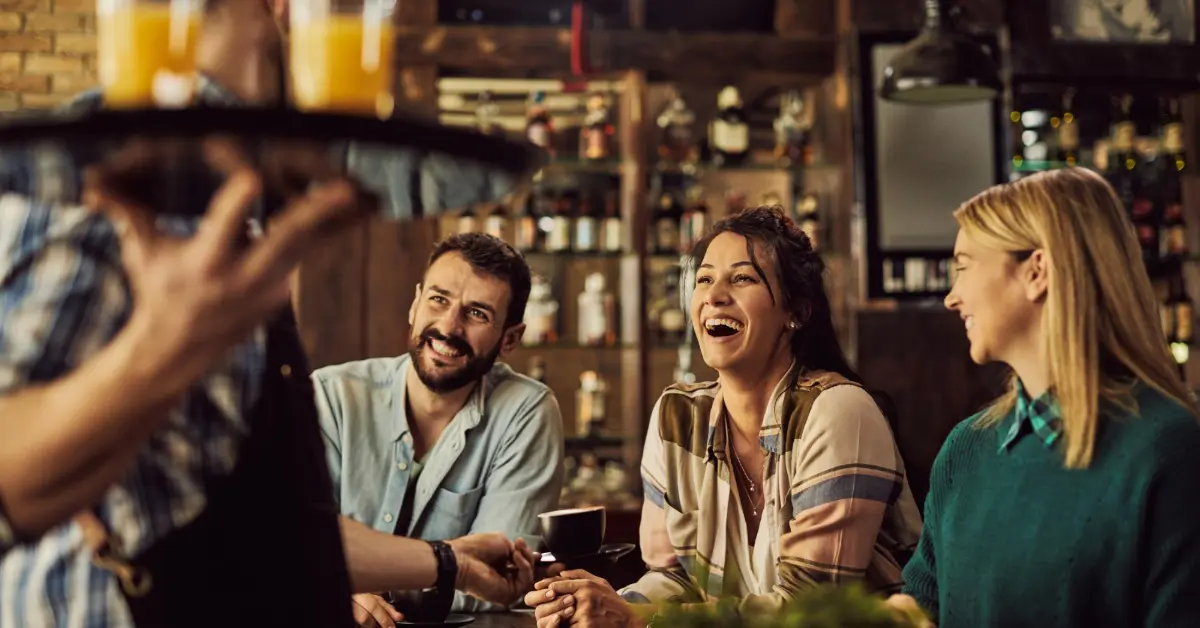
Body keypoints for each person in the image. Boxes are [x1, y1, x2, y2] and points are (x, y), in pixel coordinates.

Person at [0, 1, 533, 627]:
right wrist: (163, 344)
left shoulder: (242, 191)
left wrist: (448, 562)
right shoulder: (116, 171)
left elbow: (268, 529)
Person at [528, 206, 922, 627]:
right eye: (703, 279)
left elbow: (810, 609)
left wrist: (635, 618)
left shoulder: (839, 410)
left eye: (742, 278)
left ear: (797, 312)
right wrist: (599, 605)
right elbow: (673, 576)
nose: (714, 295)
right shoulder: (678, 416)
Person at [888, 167, 1200, 627]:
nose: (952, 297)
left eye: (963, 267)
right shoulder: (965, 450)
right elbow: (922, 607)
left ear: (1037, 271)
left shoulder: (1169, 452)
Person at [314, 232, 565, 619]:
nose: (449, 327)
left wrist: (348, 588)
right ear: (415, 304)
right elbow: (290, 544)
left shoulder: (526, 412)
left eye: (477, 313)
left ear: (510, 339)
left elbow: (497, 583)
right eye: (438, 299)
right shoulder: (331, 398)